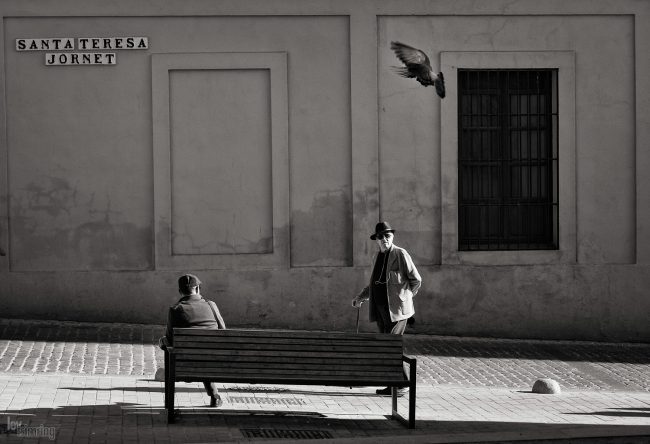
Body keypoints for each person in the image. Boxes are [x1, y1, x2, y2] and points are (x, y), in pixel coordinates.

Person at [352, 221, 422, 396]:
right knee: (386, 347)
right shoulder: (377, 257)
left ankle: (403, 383)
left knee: (391, 346)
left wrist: (405, 298)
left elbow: (416, 280)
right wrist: (361, 297)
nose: (384, 239)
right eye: (380, 237)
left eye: (387, 236)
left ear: (392, 237)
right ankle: (393, 384)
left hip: (397, 312)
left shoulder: (400, 254)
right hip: (381, 310)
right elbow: (373, 284)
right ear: (376, 239)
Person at [159, 274, 226, 407]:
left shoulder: (176, 309)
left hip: (185, 365)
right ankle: (214, 395)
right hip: (216, 363)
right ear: (197, 289)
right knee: (204, 353)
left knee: (166, 343)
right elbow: (223, 332)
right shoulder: (211, 305)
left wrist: (162, 342)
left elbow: (170, 340)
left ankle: (169, 401)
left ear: (180, 291)